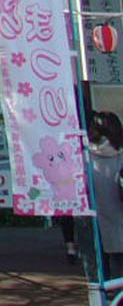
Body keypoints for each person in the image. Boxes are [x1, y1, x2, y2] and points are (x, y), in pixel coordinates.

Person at [91, 111, 123, 281]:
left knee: (99, 276)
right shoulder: (121, 154)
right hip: (120, 220)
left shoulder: (85, 156)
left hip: (95, 224)